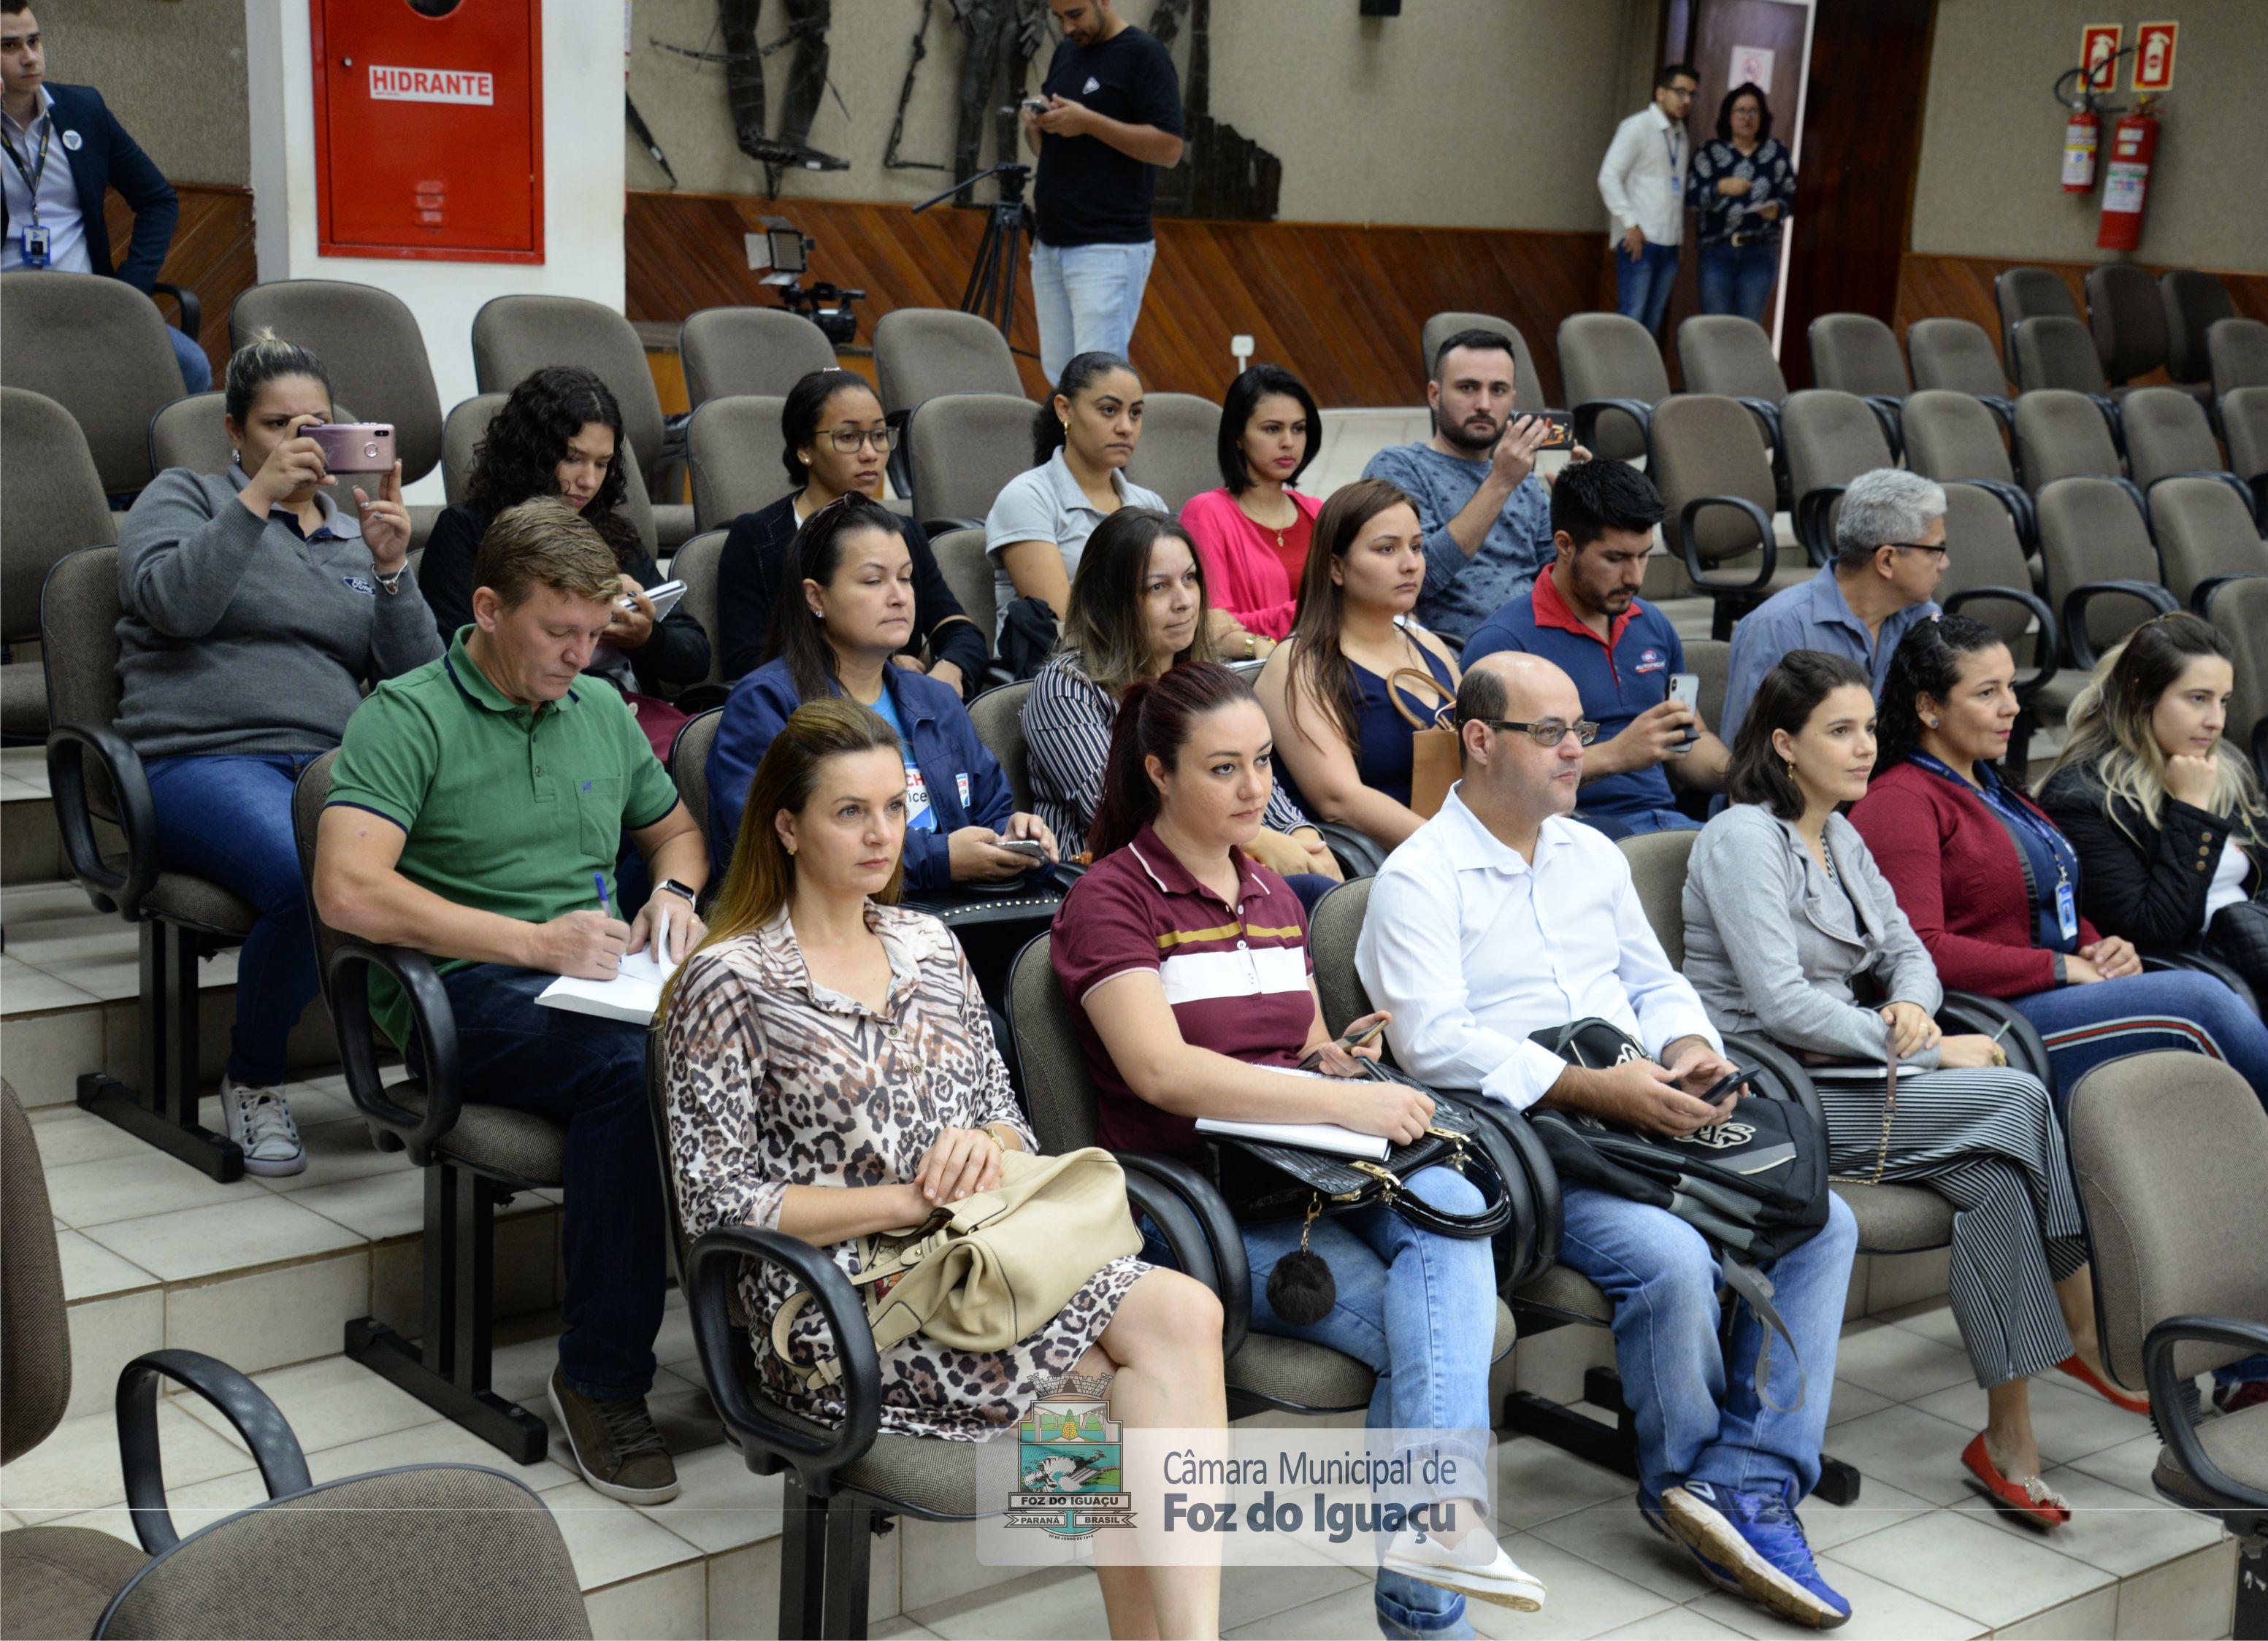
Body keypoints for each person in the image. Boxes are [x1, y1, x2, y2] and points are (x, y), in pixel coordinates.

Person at [662, 697, 1225, 1641]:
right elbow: (715, 1204)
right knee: (1111, 1389)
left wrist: (986, 1147)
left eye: (895, 806)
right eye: (851, 812)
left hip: (974, 1255)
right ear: (788, 826)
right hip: (840, 1304)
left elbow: (1009, 1123)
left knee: (1186, 1313)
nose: (882, 834)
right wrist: (899, 1198)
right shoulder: (729, 981)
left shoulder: (930, 945)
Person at [1358, 651, 1858, 1631]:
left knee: (1824, 1219)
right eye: (1549, 732)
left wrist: (1688, 1051)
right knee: (1672, 1258)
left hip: (1641, 1103)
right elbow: (1431, 1042)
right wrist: (1596, 1089)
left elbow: (1657, 980)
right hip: (1534, 1145)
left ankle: (1743, 1480)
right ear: (1480, 740)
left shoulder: (1589, 853)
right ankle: (1680, 1480)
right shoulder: (1419, 876)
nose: (1575, 750)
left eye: (1578, 728)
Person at [1050, 660, 1545, 1639]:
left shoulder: (1273, 887)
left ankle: (1427, 1568)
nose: (1252, 790)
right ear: (1157, 772)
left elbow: (1302, 1039)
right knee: (1442, 1341)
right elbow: (1162, 1074)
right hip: (1206, 1205)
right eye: (1223, 768)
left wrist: (1337, 1061)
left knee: (1448, 1210)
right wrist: (1340, 1103)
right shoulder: (1112, 899)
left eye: (1262, 764)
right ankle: (1427, 1583)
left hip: (1312, 1176)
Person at [315, 498, 708, 1504]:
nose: (582, 655)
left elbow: (675, 835)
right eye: (557, 632)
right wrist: (533, 940)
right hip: (465, 991)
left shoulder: (599, 714)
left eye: (594, 633)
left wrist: (672, 892)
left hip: (595, 976)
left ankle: (763, 1333)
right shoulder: (406, 716)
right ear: (488, 608)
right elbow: (348, 890)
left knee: (755, 1035)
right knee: (629, 1075)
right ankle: (601, 1377)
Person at [1686, 651, 2110, 1532]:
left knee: (1995, 1181)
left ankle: (2007, 1436)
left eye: (1867, 728)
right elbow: (1778, 1003)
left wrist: (1914, 1005)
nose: (1863, 746)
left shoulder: (1839, 831)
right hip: (1775, 1093)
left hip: (1852, 1071)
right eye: (1839, 730)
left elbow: (1908, 949)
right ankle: (2088, 1321)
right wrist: (1914, 1049)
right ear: (1783, 743)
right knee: (2020, 1098)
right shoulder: (1741, 838)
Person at [1852, 615, 2268, 1418]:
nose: (2010, 705)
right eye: (1984, 691)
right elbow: (1919, 951)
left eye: (2011, 687)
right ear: (1926, 706)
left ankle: (2244, 1353)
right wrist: (2062, 964)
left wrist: (2103, 945)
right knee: (2198, 1004)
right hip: (1992, 1024)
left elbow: (2051, 903)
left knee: (2195, 1113)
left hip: (2056, 995)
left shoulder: (1992, 783)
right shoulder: (1900, 801)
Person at [115, 333, 438, 1174]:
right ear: (234, 431)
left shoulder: (350, 537)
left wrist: (395, 569)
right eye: (276, 424)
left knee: (460, 850)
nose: (299, 439)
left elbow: (420, 681)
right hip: (199, 758)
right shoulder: (182, 496)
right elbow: (175, 605)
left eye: (318, 424)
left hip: (331, 765)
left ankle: (421, 1071)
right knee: (313, 879)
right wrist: (255, 498)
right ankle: (253, 1077)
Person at [2038, 614, 2268, 1031]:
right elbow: (2154, 929)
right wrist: (2193, 811)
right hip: (2206, 977)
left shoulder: (2217, 770)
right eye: (2198, 699)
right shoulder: (2082, 796)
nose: (2216, 720)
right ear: (2140, 694)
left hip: (2264, 953)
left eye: (2223, 700)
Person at [708, 493, 1056, 890]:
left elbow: (989, 811)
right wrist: (940, 860)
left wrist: (1017, 836)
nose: (899, 596)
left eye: (906, 578)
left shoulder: (936, 700)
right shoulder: (767, 703)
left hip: (957, 919)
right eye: (874, 581)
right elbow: (768, 846)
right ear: (815, 597)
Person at [1022, 506, 1338, 890]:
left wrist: (1301, 837)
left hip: (1221, 864)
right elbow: (1118, 811)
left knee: (1331, 889)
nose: (1185, 601)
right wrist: (1264, 841)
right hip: (1121, 883)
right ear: (1110, 599)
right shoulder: (1066, 688)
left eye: (1190, 579)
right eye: (1158, 587)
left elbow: (1250, 773)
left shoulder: (1207, 677)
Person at [418, 366, 708, 754]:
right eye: (573, 458)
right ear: (530, 454)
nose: (588, 480)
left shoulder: (612, 534)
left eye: (602, 464)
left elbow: (695, 657)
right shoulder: (467, 531)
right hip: (517, 726)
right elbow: (454, 655)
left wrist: (647, 638)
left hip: (629, 719)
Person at [1462, 457, 1724, 834]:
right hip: (1569, 835)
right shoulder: (1505, 645)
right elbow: (1492, 782)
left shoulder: (1654, 625)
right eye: (1615, 559)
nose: (1634, 576)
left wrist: (1746, 774)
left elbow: (1688, 746)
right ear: (1565, 546)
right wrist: (1617, 756)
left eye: (1644, 555)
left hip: (1670, 824)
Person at [716, 369, 987, 691]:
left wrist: (951, 668)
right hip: (806, 717)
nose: (870, 453)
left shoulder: (903, 533)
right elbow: (745, 660)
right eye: (848, 438)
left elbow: (958, 629)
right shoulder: (758, 538)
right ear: (804, 448)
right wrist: (878, 668)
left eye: (878, 435)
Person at [0, 0, 208, 393]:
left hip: (89, 305)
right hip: (8, 309)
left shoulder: (83, 110)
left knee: (190, 366)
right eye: (9, 46)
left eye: (34, 41)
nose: (29, 57)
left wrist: (127, 292)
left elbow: (158, 199)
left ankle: (165, 459)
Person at [1257, 480, 1462, 851]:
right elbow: (1340, 801)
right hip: (1386, 866)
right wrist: (1455, 851)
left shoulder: (1430, 644)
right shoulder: (1300, 662)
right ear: (1336, 568)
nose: (1410, 564)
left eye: (1416, 547)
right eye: (1387, 549)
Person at [1365, 330, 1587, 644]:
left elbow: (1566, 582)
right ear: (1434, 395)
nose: (1484, 404)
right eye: (1468, 388)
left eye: (1498, 390)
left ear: (1512, 400)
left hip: (1540, 644)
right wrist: (1500, 482)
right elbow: (1417, 577)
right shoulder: (1398, 467)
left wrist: (1579, 512)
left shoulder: (1523, 482)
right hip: (1455, 652)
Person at [1719, 468, 1945, 750]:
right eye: (1935, 551)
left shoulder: (1923, 617)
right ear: (1887, 560)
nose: (1944, 563)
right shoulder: (1778, 627)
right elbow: (1752, 757)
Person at [1021, 0, 1183, 383]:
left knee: (1097, 381)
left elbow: (1170, 148)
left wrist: (1089, 122)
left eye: (1075, 14)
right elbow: (1052, 153)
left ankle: (1104, 447)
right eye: (1059, 18)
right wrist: (1036, 127)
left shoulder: (1144, 54)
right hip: (1052, 243)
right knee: (1060, 378)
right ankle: (1062, 448)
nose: (1067, 27)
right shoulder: (1067, 53)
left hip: (1109, 246)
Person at [985, 350, 1167, 640]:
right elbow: (1065, 622)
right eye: (1109, 410)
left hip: (1143, 660)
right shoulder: (1027, 498)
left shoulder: (1149, 505)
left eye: (1135, 413)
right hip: (1060, 673)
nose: (1126, 427)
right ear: (1064, 410)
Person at [1179, 363, 1325, 646]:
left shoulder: (1318, 511)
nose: (1288, 442)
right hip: (1251, 676)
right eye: (1272, 429)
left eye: (1299, 429)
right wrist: (1321, 611)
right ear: (1238, 437)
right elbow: (1210, 628)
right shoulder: (1207, 512)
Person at [1597, 64, 1698, 342]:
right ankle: (1619, 384)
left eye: (1691, 94)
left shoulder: (1680, 134)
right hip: (1641, 241)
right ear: (1660, 93)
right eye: (1680, 92)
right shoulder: (1637, 127)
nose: (1686, 100)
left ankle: (1639, 384)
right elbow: (1608, 177)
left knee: (1651, 327)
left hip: (1669, 244)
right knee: (1631, 322)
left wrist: (1678, 238)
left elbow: (1671, 192)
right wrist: (1630, 224)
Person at [1688, 82, 1796, 323]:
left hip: (1760, 254)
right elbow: (1692, 198)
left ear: (1762, 116)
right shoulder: (1709, 152)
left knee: (1747, 330)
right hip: (1717, 252)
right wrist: (1721, 188)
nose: (1747, 118)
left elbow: (1792, 196)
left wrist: (1778, 208)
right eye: (1740, 111)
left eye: (1753, 111)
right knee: (1716, 329)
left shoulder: (1776, 152)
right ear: (1728, 116)